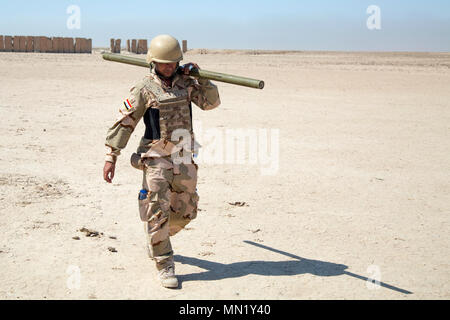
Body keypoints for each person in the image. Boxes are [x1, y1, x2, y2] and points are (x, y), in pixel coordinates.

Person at [102, 34, 220, 288]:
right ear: (153, 62)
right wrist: (111, 156)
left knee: (186, 210)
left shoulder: (186, 83)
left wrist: (202, 78)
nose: (168, 67)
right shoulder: (144, 88)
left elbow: (211, 103)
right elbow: (125, 122)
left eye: (172, 63)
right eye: (163, 63)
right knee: (157, 210)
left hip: (183, 155)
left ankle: (158, 237)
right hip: (155, 157)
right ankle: (164, 261)